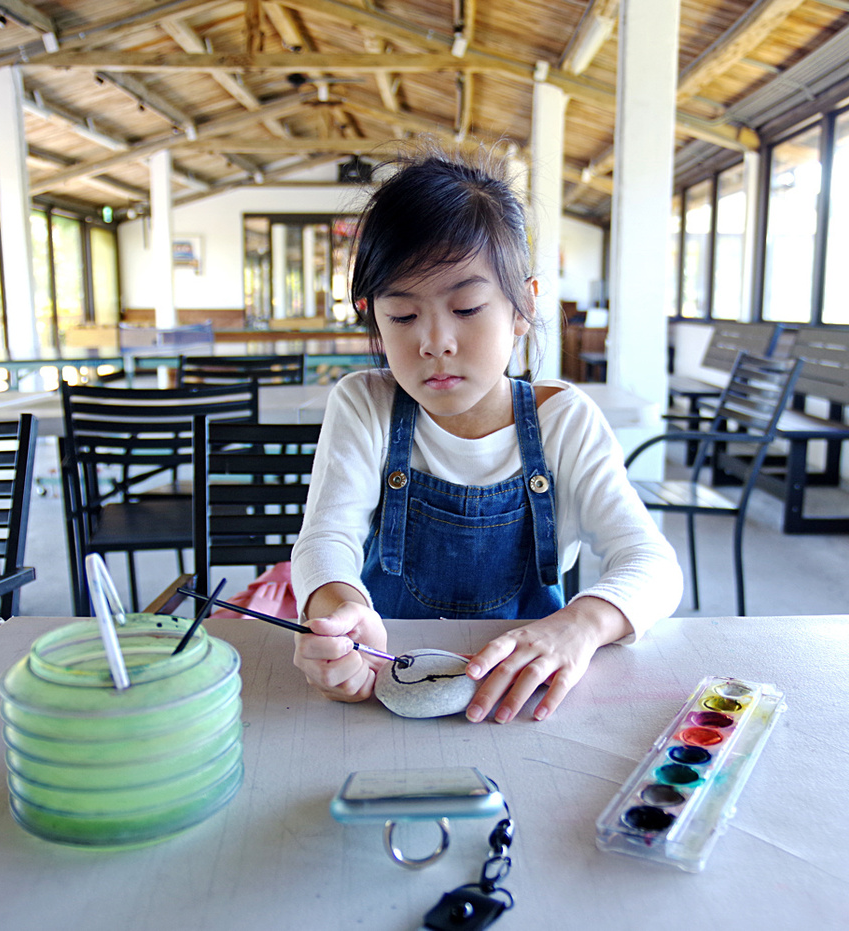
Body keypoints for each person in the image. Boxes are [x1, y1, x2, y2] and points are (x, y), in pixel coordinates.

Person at [290, 147, 680, 724]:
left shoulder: (562, 422)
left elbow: (651, 564)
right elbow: (325, 539)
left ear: (523, 307)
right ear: (373, 317)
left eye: (467, 307)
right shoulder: (365, 404)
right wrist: (338, 613)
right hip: (386, 692)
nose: (435, 342)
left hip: (521, 704)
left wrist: (580, 625)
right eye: (402, 316)